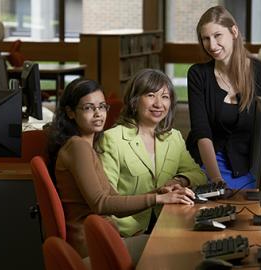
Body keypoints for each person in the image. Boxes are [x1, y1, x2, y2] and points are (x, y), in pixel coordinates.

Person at [47, 78, 196, 260]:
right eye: (88, 108)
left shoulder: (86, 146)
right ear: (70, 112)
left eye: (102, 107)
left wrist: (160, 192)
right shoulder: (78, 147)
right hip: (93, 248)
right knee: (178, 246)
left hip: (105, 239)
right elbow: (101, 204)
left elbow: (115, 201)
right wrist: (157, 198)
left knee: (176, 241)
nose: (98, 114)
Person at [100, 68, 207, 237]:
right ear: (135, 100)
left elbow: (199, 174)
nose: (159, 104)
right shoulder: (112, 139)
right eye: (150, 95)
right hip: (128, 231)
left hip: (167, 222)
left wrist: (178, 180)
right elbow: (107, 202)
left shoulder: (173, 137)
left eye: (164, 97)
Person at [186, 6, 261, 190]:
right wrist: (216, 181)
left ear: (234, 31)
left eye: (217, 36)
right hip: (209, 163)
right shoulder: (198, 75)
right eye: (206, 39)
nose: (212, 45)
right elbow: (201, 131)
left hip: (249, 165)